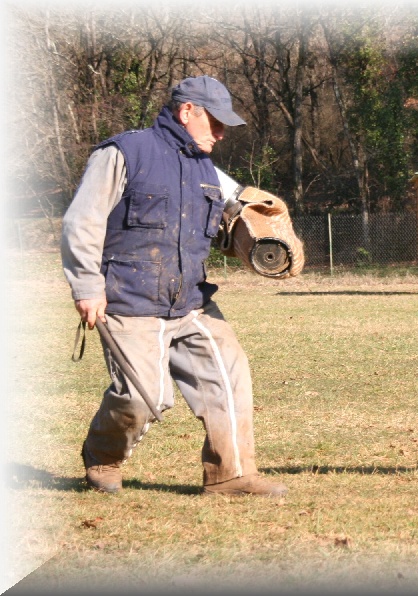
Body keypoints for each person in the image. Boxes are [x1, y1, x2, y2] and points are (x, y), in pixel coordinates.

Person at [61, 75, 287, 497]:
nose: (221, 134)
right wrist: (87, 286)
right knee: (145, 397)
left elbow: (235, 222)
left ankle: (232, 476)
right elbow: (83, 220)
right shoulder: (124, 153)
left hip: (190, 302)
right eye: (215, 123)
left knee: (228, 375)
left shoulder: (209, 170)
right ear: (187, 112)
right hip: (130, 301)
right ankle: (103, 457)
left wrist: (260, 237)